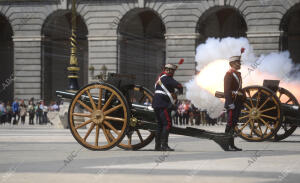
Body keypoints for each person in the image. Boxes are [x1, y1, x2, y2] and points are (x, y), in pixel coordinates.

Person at [152, 63, 183, 151]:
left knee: (159, 125)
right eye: (172, 71)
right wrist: (180, 91)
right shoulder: (168, 79)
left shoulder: (160, 78)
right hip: (163, 104)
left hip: (156, 103)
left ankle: (157, 146)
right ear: (170, 71)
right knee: (167, 124)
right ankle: (164, 145)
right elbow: (179, 86)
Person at [224, 55, 243, 151]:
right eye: (237, 62)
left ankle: (232, 144)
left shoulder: (238, 74)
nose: (239, 64)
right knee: (230, 123)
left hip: (237, 103)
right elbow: (227, 90)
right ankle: (226, 144)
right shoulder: (229, 74)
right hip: (232, 103)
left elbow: (240, 89)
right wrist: (230, 103)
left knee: (234, 124)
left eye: (239, 62)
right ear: (232, 64)